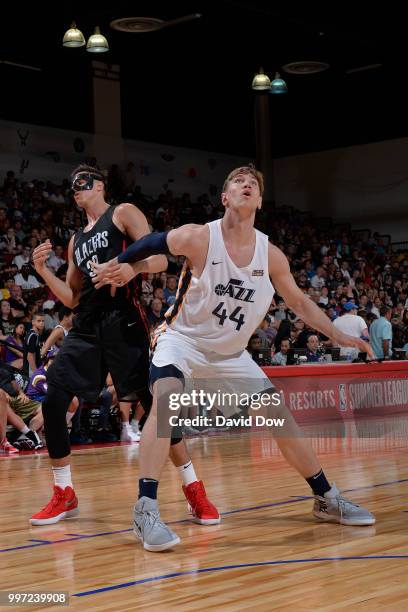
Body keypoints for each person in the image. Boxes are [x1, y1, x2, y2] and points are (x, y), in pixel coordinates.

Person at [93, 164, 375, 552]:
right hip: (183, 340)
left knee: (279, 416)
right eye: (238, 182)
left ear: (259, 200)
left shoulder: (270, 255)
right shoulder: (198, 237)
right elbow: (153, 243)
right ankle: (145, 509)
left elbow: (300, 303)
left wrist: (341, 335)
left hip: (230, 354)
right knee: (168, 397)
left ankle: (327, 498)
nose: (247, 185)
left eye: (253, 184)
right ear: (225, 197)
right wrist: (126, 264)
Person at [29, 164, 219, 527]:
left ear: (100, 185)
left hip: (124, 322)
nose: (76, 189)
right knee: (54, 402)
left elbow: (162, 257)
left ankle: (194, 490)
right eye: (71, 187)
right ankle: (64, 493)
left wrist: (131, 268)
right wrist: (43, 271)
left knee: (156, 409)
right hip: (85, 327)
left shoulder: (123, 213)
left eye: (82, 182)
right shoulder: (76, 241)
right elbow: (71, 298)